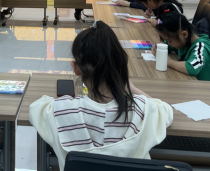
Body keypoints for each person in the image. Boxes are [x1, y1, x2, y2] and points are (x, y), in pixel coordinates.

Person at [29, 21, 173, 171]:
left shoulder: (59, 111)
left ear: (76, 69)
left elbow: (35, 108)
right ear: (121, 66)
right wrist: (132, 89)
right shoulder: (143, 109)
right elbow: (165, 110)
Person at [152, 4, 210, 81]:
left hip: (202, 87)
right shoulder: (184, 41)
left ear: (184, 34)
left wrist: (169, 62)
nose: (169, 43)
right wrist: (159, 48)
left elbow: (192, 68)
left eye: (169, 40)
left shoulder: (201, 47)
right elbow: (168, 46)